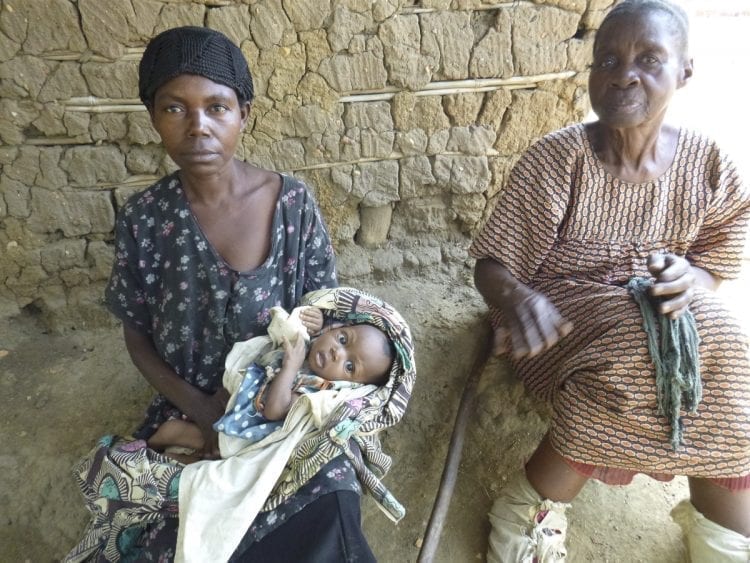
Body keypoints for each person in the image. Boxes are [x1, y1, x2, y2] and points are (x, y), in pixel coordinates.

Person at [72, 25, 414, 562]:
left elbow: (324, 314)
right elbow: (136, 334)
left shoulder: (292, 205)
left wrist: (291, 405)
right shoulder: (145, 219)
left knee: (329, 513)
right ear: (152, 116)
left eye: (217, 108)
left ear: (244, 114)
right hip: (191, 402)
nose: (198, 128)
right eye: (174, 109)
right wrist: (204, 411)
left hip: (284, 400)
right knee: (183, 531)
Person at [469, 1, 750, 561]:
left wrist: (688, 276)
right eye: (608, 60)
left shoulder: (708, 163)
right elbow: (492, 265)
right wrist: (516, 297)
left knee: (729, 348)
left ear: (684, 71)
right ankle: (530, 508)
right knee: (628, 351)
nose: (624, 74)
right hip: (564, 321)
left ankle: (726, 535)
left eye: (649, 59)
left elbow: (720, 252)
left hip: (661, 315)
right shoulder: (558, 160)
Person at [147, 304, 395, 459]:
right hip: (239, 412)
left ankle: (163, 448)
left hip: (250, 417)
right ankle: (167, 439)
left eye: (349, 366)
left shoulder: (317, 391)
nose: (336, 353)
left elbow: (277, 409)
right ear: (335, 328)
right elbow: (305, 324)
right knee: (218, 452)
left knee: (206, 458)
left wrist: (291, 369)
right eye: (342, 339)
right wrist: (316, 321)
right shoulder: (306, 344)